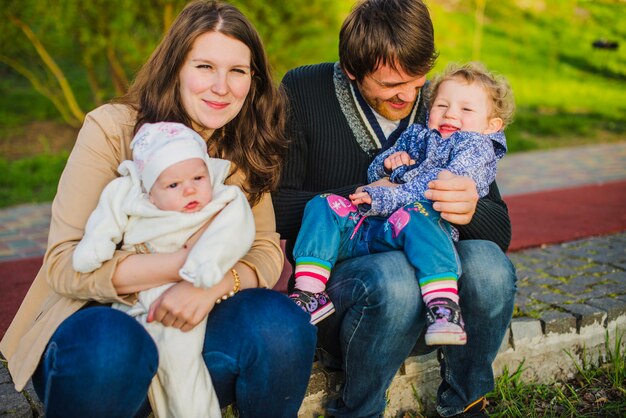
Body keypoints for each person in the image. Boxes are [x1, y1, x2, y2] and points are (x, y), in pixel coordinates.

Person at [0, 2, 317, 418]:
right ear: (175, 68)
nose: (222, 86)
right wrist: (184, 264)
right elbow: (65, 265)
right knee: (114, 344)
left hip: (190, 331)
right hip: (94, 335)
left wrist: (209, 285)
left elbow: (264, 248)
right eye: (205, 66)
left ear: (252, 80)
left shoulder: (237, 147)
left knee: (283, 324)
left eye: (237, 71)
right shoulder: (112, 128)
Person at [272, 0, 517, 417]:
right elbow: (276, 204)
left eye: (418, 80)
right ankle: (358, 408)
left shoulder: (443, 103)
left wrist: (468, 206)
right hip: (352, 292)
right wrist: (373, 192)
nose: (409, 95)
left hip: (438, 294)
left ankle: (465, 400)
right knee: (395, 277)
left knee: (491, 266)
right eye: (390, 85)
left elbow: (500, 231)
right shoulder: (304, 90)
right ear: (353, 70)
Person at [289, 62, 513, 348]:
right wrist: (387, 164)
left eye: (466, 110)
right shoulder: (420, 134)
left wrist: (386, 194)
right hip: (378, 229)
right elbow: (377, 174)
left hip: (421, 227)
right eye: (442, 105)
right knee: (322, 205)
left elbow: (432, 187)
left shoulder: (475, 147)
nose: (451, 114)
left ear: (491, 125)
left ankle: (443, 307)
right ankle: (310, 292)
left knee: (418, 217)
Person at [73, 121, 256, 418]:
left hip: (185, 293)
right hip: (133, 295)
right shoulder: (132, 195)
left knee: (180, 365)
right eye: (173, 185)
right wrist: (96, 246)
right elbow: (108, 213)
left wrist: (204, 264)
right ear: (150, 191)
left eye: (198, 177)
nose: (190, 190)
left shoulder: (223, 199)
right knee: (126, 356)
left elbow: (235, 231)